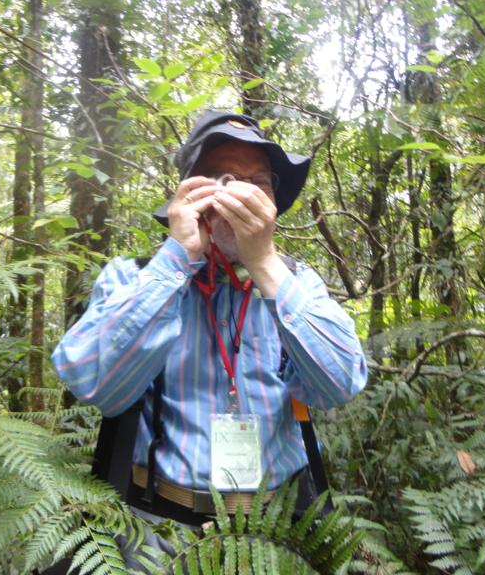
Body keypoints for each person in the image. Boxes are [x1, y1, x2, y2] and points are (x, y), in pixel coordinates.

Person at [50, 110, 367, 563]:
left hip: (278, 536)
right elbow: (93, 384)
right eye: (223, 178)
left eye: (259, 181)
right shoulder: (134, 277)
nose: (242, 193)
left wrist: (265, 265)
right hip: (161, 534)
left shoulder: (296, 284)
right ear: (188, 194)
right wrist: (177, 258)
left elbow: (338, 386)